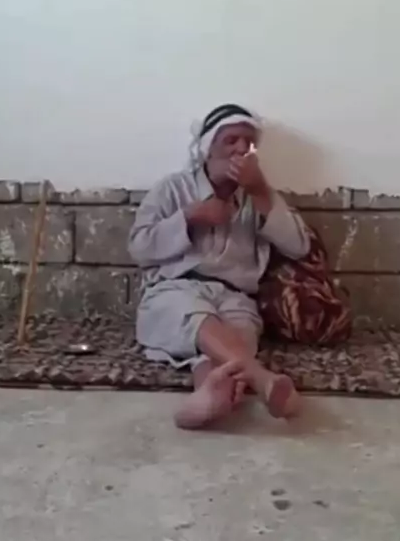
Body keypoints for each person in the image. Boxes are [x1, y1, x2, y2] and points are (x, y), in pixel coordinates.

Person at [129, 104, 310, 429]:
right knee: (197, 318)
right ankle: (261, 379)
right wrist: (189, 217)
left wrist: (261, 192)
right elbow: (139, 247)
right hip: (176, 289)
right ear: (207, 148)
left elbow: (299, 246)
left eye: (248, 142)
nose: (241, 149)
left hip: (235, 297)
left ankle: (206, 399)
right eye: (231, 140)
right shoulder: (173, 189)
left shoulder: (257, 195)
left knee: (235, 340)